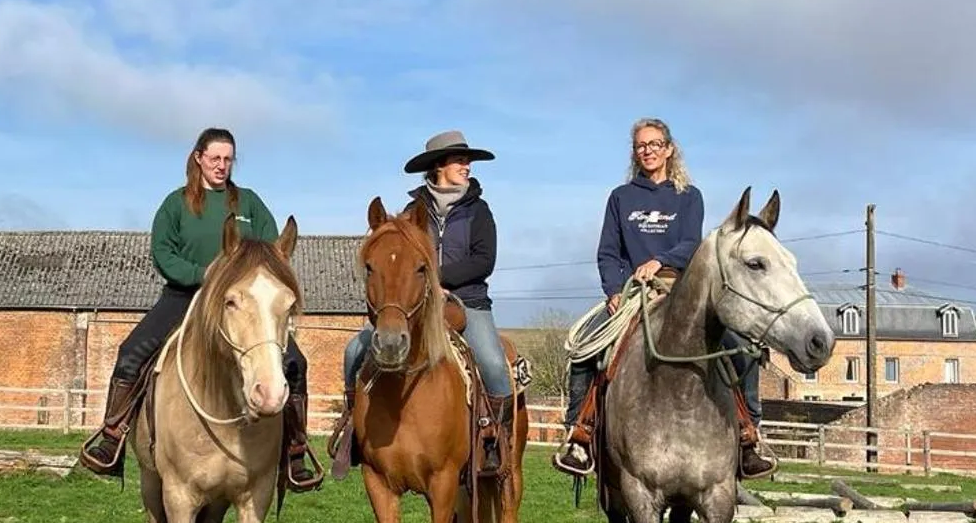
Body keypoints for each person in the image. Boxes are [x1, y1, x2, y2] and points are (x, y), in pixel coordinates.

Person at [78, 127, 322, 490]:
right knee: (132, 352)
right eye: (215, 158)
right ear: (198, 158)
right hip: (185, 295)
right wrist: (200, 274)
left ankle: (295, 451)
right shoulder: (175, 204)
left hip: (239, 302)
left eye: (227, 159)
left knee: (294, 363)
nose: (221, 166)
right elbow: (163, 252)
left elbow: (271, 252)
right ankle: (113, 433)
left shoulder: (249, 203)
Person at [553, 118, 773, 479]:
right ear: (634, 152)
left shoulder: (689, 196)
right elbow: (608, 251)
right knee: (584, 348)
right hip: (631, 294)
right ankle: (580, 434)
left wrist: (661, 261)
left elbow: (692, 243)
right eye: (641, 145)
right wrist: (613, 291)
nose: (648, 151)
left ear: (670, 148)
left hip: (681, 291)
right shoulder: (621, 198)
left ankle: (750, 436)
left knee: (741, 348)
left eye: (655, 144)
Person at [329, 130, 514, 477]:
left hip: (468, 302)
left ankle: (494, 438)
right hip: (414, 306)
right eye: (460, 160)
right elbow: (397, 261)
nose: (467, 166)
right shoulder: (413, 213)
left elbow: (483, 261)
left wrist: (436, 277)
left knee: (493, 364)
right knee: (354, 351)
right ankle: (352, 427)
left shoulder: (479, 211)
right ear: (439, 166)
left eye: (467, 160)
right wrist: (417, 283)